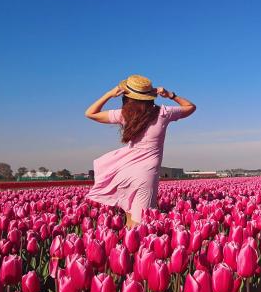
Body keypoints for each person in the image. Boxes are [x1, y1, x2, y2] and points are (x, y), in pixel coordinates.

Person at [84, 74, 196, 227]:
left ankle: (125, 249)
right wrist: (171, 95)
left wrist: (110, 94)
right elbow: (190, 107)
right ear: (151, 96)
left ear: (127, 97)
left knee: (130, 221)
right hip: (146, 174)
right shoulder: (163, 113)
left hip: (125, 170)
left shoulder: (125, 115)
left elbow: (90, 113)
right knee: (139, 225)